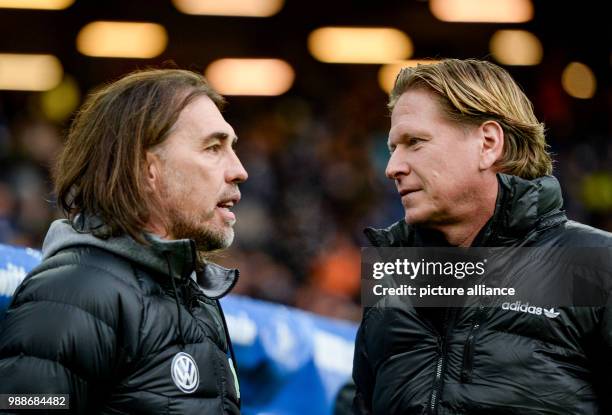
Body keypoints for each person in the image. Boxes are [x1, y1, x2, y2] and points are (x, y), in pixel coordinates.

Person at [353, 59, 612, 414]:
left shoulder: (597, 265)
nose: (392, 167)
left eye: (414, 142)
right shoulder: (394, 274)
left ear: (487, 143)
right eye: (394, 146)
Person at [0, 69, 248, 413]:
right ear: (147, 169)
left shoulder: (193, 297)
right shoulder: (74, 294)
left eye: (231, 148)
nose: (238, 170)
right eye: (212, 148)